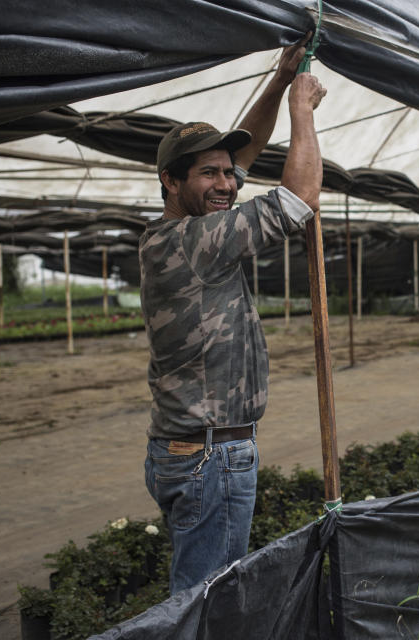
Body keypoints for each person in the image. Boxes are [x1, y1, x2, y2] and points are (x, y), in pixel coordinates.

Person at [139, 38, 326, 594]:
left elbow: (242, 155)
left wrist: (277, 79)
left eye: (229, 172)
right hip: (210, 458)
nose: (227, 184)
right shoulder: (196, 240)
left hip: (188, 449)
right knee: (206, 604)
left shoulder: (179, 227)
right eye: (209, 174)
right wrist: (301, 110)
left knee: (198, 593)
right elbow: (300, 198)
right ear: (170, 182)